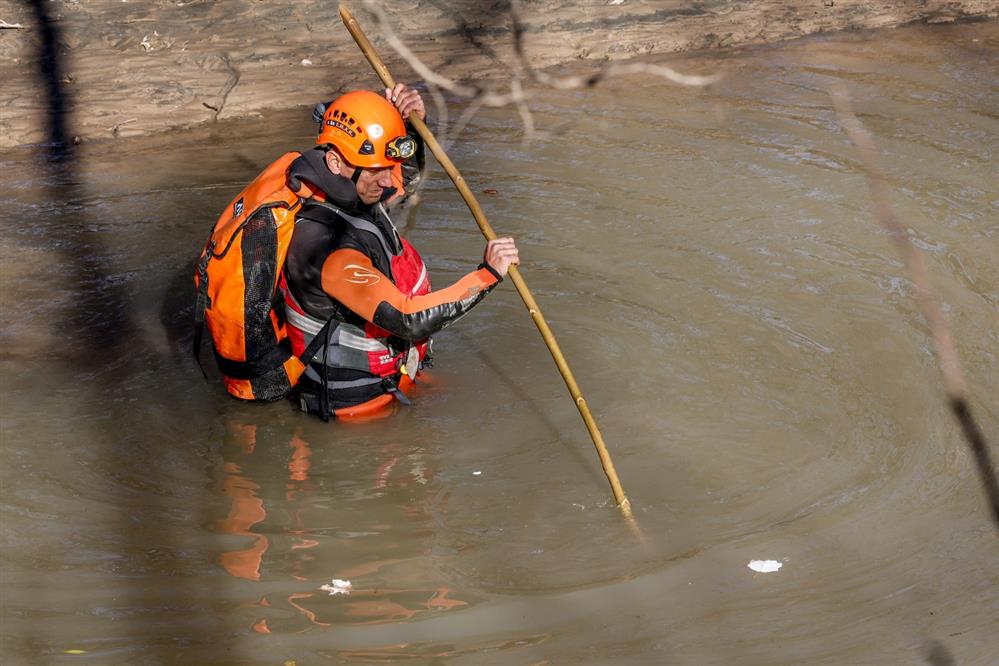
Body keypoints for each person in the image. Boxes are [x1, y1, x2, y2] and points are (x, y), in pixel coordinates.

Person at [280, 84, 519, 419]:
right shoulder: (323, 246)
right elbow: (407, 318)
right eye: (376, 169)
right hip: (355, 410)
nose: (386, 180)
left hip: (392, 379)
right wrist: (487, 275)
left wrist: (407, 124)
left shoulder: (348, 194)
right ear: (335, 162)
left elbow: (401, 182)